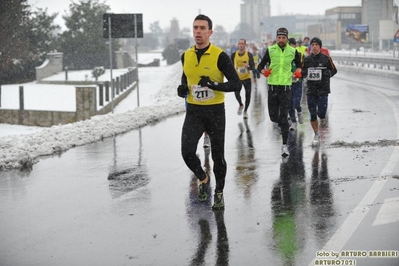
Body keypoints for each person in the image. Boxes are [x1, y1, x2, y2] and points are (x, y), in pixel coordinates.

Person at [177, 14, 241, 210]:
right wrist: (182, 89)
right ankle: (204, 179)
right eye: (195, 27)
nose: (198, 31)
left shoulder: (220, 56)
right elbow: (186, 78)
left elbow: (236, 84)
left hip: (215, 112)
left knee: (217, 156)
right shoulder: (186, 55)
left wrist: (214, 85)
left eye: (202, 28)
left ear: (210, 32)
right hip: (194, 111)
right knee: (187, 152)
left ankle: (219, 191)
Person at [257, 28, 302, 157]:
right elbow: (260, 66)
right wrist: (263, 72)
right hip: (272, 88)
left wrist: (298, 71)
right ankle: (284, 125)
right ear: (276, 38)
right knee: (273, 117)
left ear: (287, 38)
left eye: (283, 37)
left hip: (286, 88)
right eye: (279, 38)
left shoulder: (293, 51)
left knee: (283, 116)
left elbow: (299, 65)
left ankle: (284, 146)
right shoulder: (270, 50)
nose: (281, 40)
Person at [301, 37, 337, 145]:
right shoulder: (307, 60)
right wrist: (301, 74)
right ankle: (316, 134)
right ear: (310, 47)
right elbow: (302, 72)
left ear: (320, 47)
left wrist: (326, 76)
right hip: (311, 90)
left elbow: (334, 70)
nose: (314, 47)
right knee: (312, 114)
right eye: (312, 45)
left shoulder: (326, 59)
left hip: (323, 90)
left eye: (316, 45)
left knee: (321, 114)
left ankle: (323, 114)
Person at [231, 39, 259, 119]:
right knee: (236, 93)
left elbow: (253, 66)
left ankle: (245, 111)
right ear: (238, 45)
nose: (241, 45)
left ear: (245, 45)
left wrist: (248, 67)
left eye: (242, 44)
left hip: (247, 77)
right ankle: (240, 104)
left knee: (248, 95)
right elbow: (230, 66)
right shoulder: (234, 55)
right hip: (237, 78)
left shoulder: (249, 54)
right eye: (239, 43)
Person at [287, 38, 304, 131]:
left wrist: (300, 72)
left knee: (296, 101)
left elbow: (303, 66)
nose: (292, 47)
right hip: (288, 83)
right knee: (289, 104)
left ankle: (300, 112)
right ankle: (293, 122)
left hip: (298, 82)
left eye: (293, 45)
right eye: (290, 45)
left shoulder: (299, 55)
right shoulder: (285, 56)